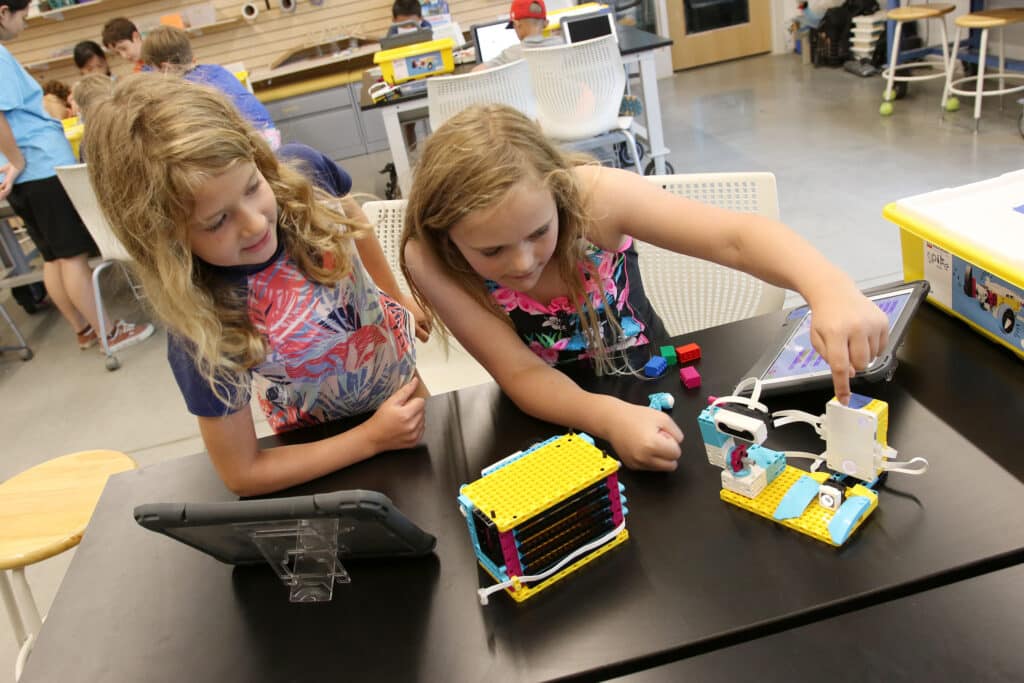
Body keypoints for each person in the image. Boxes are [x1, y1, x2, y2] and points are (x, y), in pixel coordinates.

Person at [401, 105, 890, 473]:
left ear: (558, 194)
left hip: (654, 386)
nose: (524, 262)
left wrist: (830, 288)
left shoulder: (596, 197)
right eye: (492, 251)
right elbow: (521, 372)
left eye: (539, 232)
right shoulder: (428, 257)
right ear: (448, 237)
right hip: (544, 415)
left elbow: (736, 239)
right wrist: (608, 418)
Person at [84, 74, 428, 496]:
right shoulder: (201, 323)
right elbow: (242, 472)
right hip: (320, 454)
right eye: (217, 221)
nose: (254, 224)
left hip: (402, 394)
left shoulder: (304, 174)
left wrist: (394, 296)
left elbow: (349, 214)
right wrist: (371, 439)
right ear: (166, 239)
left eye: (252, 187)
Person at [0, 0, 154, 353]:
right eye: (23, 16)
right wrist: (18, 160)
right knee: (72, 257)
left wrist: (14, 162)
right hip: (39, 167)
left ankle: (83, 329)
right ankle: (109, 333)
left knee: (53, 257)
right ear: (3, 12)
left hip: (23, 173)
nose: (24, 24)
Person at [141, 26, 280, 149]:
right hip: (269, 134)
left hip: (253, 145)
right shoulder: (215, 69)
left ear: (165, 68)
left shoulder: (184, 88)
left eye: (153, 69)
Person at [471, 0, 560, 72]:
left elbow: (476, 73)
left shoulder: (511, 54)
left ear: (516, 24)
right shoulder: (561, 44)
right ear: (546, 23)